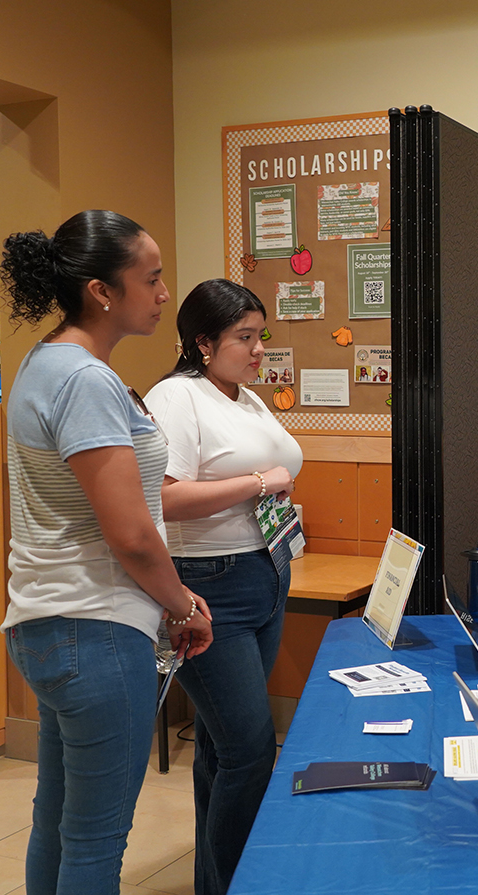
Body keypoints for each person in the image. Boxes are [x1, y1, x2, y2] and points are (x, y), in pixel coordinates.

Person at [0, 210, 214, 895]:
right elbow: (129, 533)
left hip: (47, 621)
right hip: (94, 628)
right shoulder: (84, 380)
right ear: (101, 290)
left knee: (58, 820)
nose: (161, 294)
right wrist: (182, 604)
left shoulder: (47, 362)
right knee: (94, 841)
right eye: (150, 279)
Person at [144, 278, 303, 895]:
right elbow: (164, 497)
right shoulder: (177, 397)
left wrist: (269, 486)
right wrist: (258, 484)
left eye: (260, 335)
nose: (259, 348)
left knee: (219, 746)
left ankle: (215, 883)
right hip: (210, 586)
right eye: (244, 337)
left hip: (265, 571)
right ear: (203, 342)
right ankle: (242, 882)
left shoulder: (242, 396)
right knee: (249, 751)